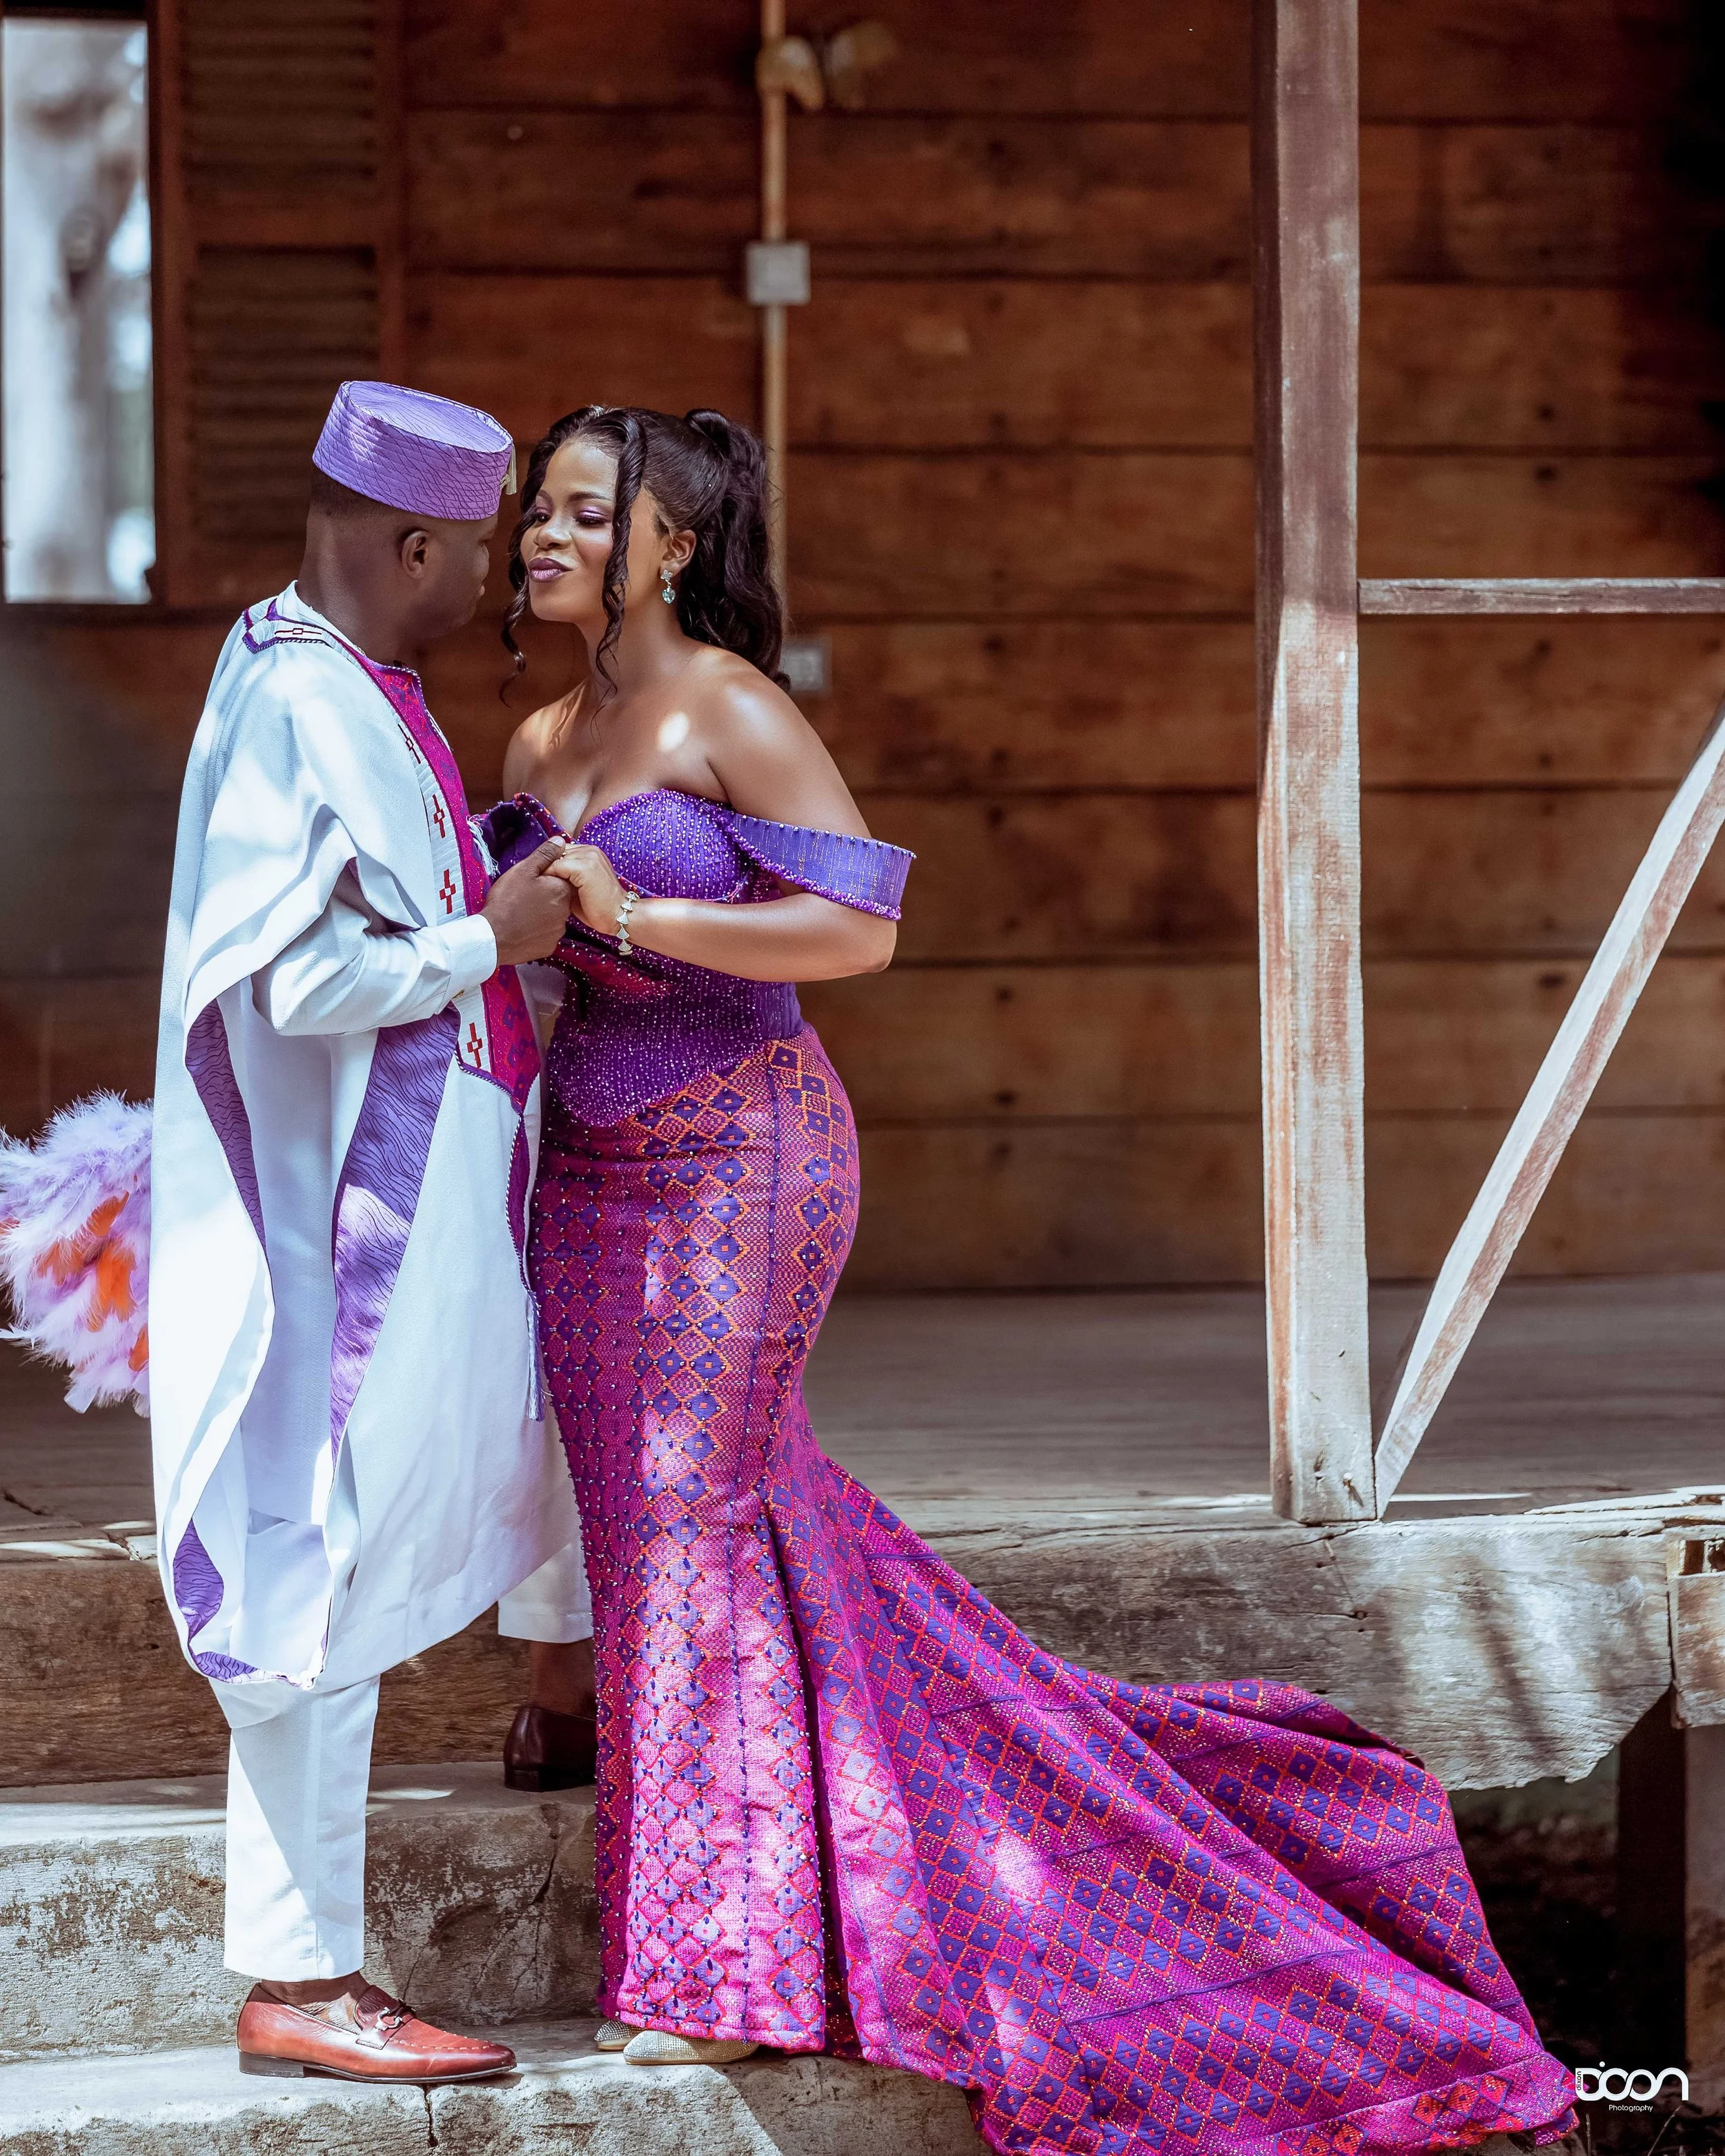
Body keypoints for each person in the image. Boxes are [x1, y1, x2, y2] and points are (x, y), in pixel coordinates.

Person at [491, 400, 1579, 2152]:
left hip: (739, 1154)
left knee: (691, 1523)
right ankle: (767, 1877)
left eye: (574, 510)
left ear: (669, 544)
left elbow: (857, 930)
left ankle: (721, 1973)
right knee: (659, 1527)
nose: (535, 536)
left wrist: (640, 917)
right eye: (531, 510)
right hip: (587, 1172)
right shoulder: (544, 725)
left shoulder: (732, 709)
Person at [150, 380, 586, 2083]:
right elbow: (305, 978)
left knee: (347, 1555)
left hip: (393, 1209)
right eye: (471, 552)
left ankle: (318, 1960)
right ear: (408, 541)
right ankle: (300, 1975)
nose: (486, 582)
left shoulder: (337, 679)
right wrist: (497, 935)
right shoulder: (297, 702)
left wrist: (481, 916)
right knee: (307, 1579)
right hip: (334, 1230)